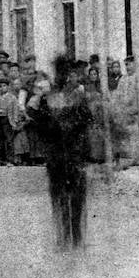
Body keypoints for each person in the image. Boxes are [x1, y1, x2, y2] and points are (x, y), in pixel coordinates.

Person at [31, 55, 93, 250]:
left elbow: (87, 121)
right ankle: (68, 237)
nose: (63, 77)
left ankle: (72, 237)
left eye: (64, 73)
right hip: (62, 154)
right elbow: (39, 122)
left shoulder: (74, 96)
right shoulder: (49, 96)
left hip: (68, 153)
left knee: (70, 195)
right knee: (65, 195)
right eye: (62, 73)